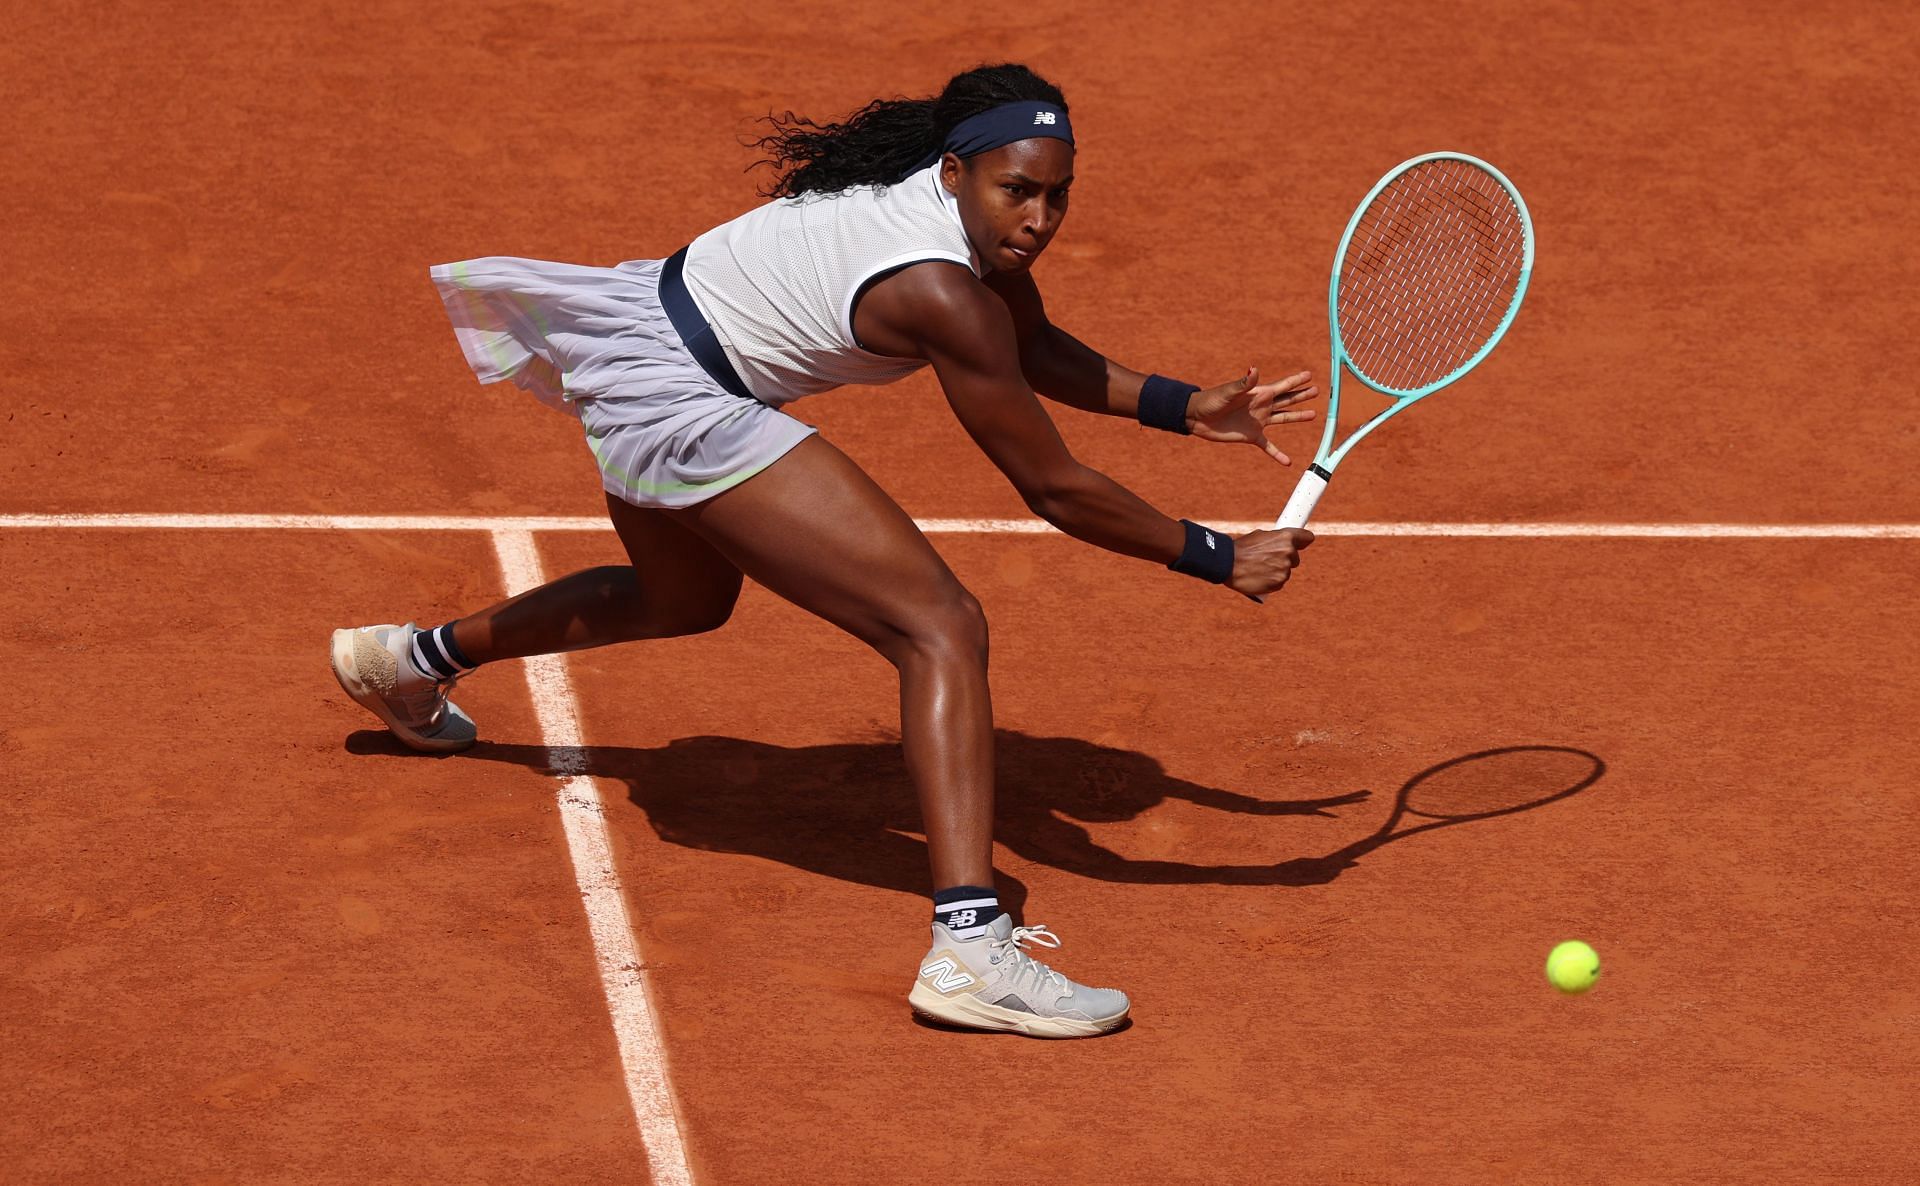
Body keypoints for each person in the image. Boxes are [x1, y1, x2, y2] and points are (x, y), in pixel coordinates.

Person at [330, 62, 1317, 1038]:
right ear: (956, 173)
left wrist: (1188, 408)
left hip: (644, 345)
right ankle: (971, 949)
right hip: (681, 395)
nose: (1041, 218)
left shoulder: (946, 222)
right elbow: (1052, 485)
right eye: (1020, 191)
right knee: (941, 626)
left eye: (1059, 195)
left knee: (681, 600)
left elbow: (1033, 343)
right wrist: (1216, 555)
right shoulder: (939, 288)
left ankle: (408, 662)